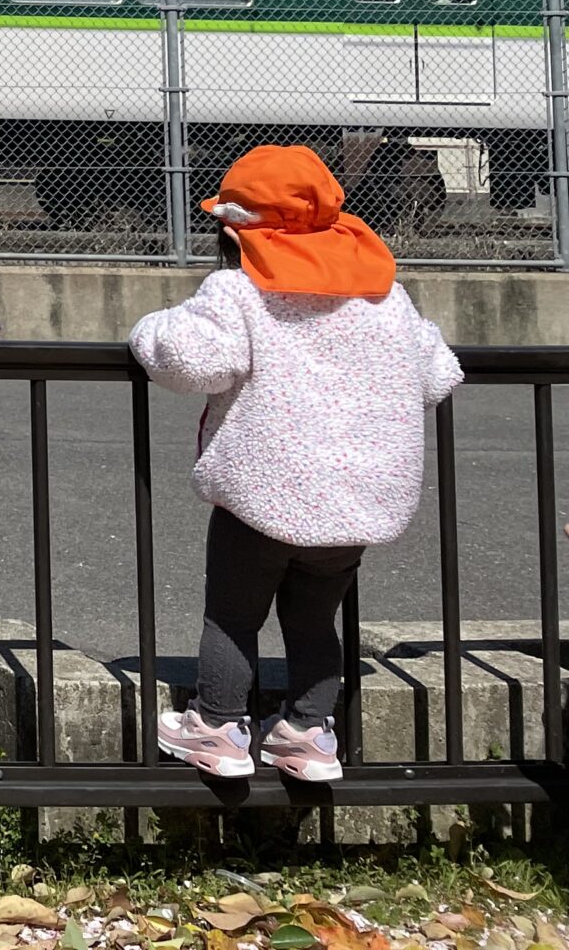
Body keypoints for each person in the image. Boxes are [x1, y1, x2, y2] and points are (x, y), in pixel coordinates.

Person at [134, 144, 462, 783]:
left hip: (263, 494)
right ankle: (309, 732)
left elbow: (191, 361)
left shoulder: (239, 291)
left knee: (233, 615)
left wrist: (147, 330)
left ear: (233, 231)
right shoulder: (384, 296)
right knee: (315, 620)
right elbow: (436, 374)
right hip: (354, 502)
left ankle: (218, 725)